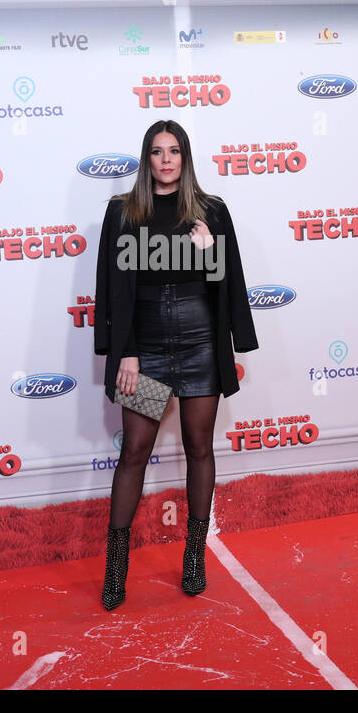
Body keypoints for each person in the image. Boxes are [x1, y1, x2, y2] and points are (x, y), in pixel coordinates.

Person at [93, 120, 259, 611]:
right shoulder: (123, 212)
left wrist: (212, 255)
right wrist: (123, 348)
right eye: (156, 152)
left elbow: (225, 287)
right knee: (135, 451)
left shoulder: (211, 211)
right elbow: (112, 285)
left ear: (186, 158)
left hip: (200, 342)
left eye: (175, 151)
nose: (166, 160)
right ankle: (116, 568)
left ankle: (193, 556)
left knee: (198, 446)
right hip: (143, 346)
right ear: (146, 160)